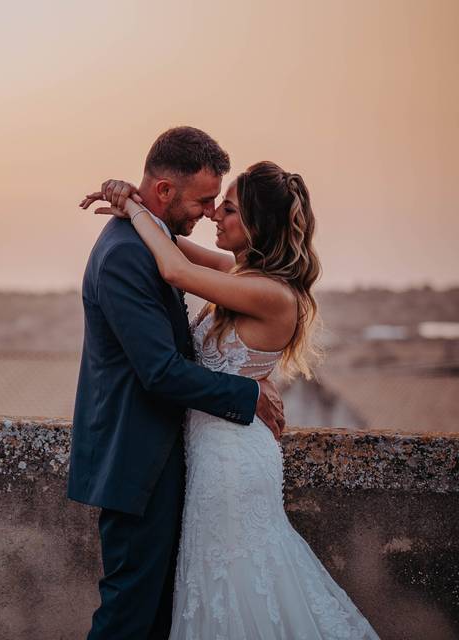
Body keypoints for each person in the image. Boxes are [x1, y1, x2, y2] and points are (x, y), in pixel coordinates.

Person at [81, 154, 380, 638]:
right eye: (215, 204)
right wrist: (131, 199)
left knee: (238, 584)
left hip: (232, 460)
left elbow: (175, 270)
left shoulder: (272, 293)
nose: (215, 213)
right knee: (210, 586)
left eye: (230, 209)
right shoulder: (240, 274)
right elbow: (170, 243)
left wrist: (133, 209)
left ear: (258, 226)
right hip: (207, 454)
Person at [67, 126, 285, 640]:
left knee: (160, 614)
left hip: (172, 462)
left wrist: (134, 204)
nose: (209, 212)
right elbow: (160, 370)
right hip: (137, 463)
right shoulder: (125, 254)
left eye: (220, 205)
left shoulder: (151, 240)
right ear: (164, 191)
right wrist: (248, 392)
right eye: (206, 200)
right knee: (128, 616)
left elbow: (181, 258)